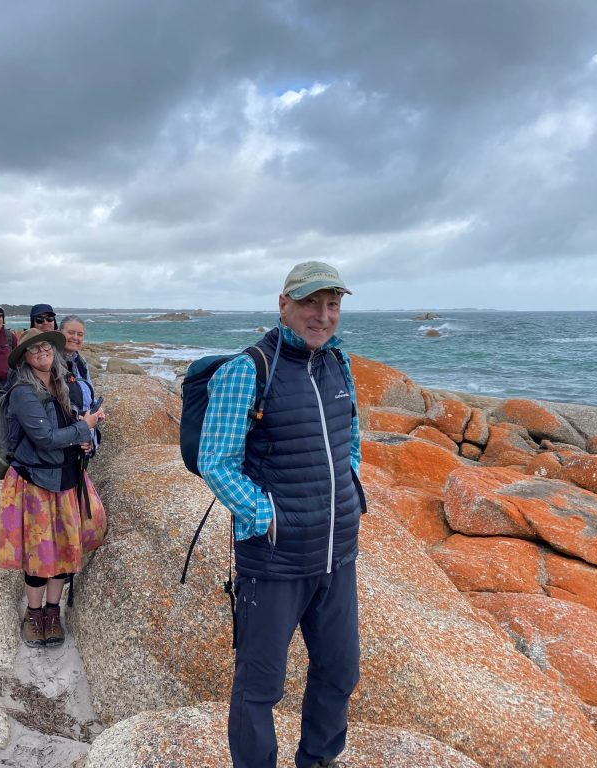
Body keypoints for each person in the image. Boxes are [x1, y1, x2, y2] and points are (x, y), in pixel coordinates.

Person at [199, 262, 365, 768]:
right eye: (311, 303)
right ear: (284, 304)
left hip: (337, 553)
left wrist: (350, 491)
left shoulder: (337, 363)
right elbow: (216, 461)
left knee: (340, 669)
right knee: (259, 685)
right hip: (273, 562)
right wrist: (267, 516)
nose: (322, 315)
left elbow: (350, 440)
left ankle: (318, 758)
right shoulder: (247, 370)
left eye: (332, 304)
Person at [0, 328, 107, 649]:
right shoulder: (22, 391)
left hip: (66, 478)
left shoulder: (61, 384)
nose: (43, 352)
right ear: (26, 359)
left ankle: (52, 613)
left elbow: (67, 430)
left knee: (63, 551)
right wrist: (84, 427)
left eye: (47, 347)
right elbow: (44, 438)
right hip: (34, 482)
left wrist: (84, 442)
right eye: (35, 350)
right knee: (38, 554)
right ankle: (33, 615)